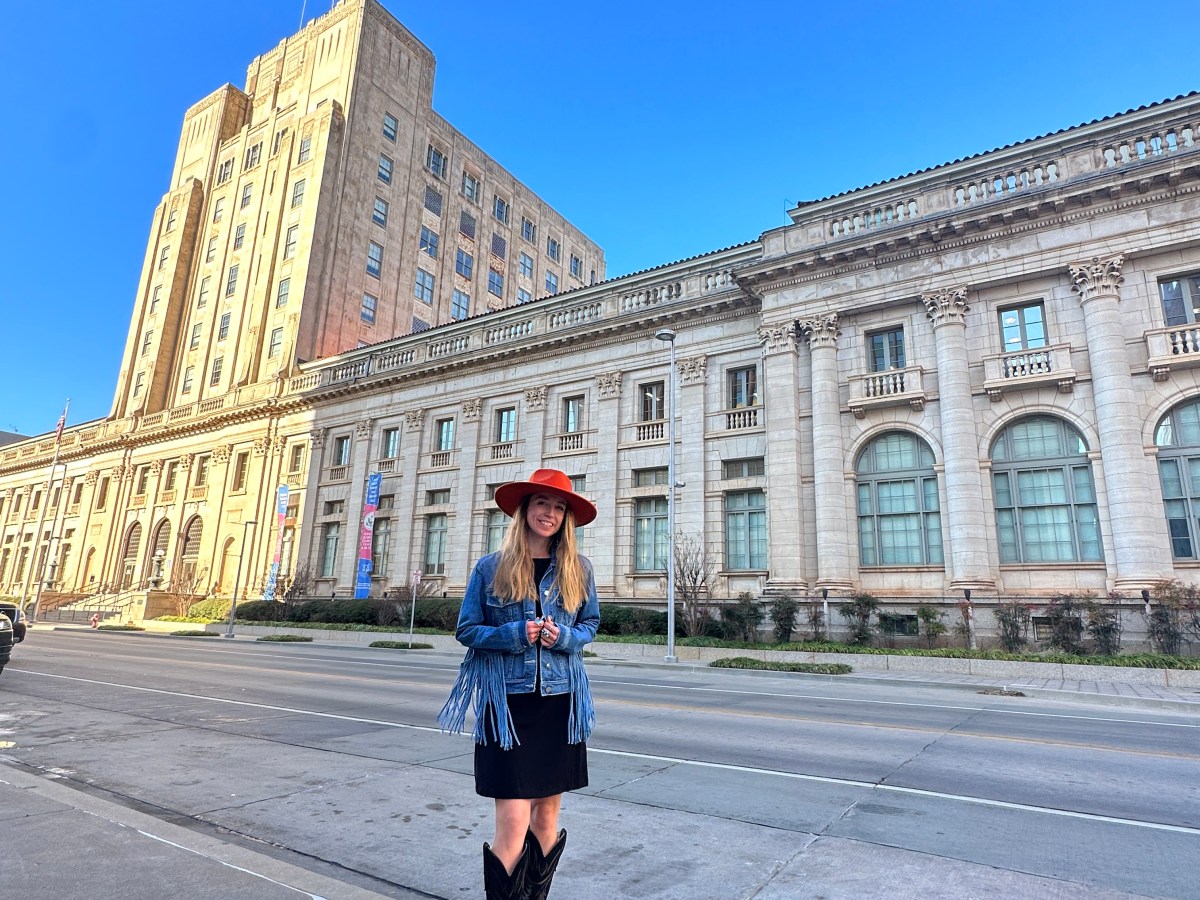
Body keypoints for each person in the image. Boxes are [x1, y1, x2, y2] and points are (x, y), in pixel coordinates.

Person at [439, 468, 599, 900]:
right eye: (542, 503)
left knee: (546, 819)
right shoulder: (490, 568)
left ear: (566, 517)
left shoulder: (577, 569)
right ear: (525, 509)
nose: (550, 513)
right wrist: (515, 635)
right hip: (506, 707)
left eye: (559, 507)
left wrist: (563, 636)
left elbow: (590, 625)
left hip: (558, 705)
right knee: (511, 823)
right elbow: (467, 629)